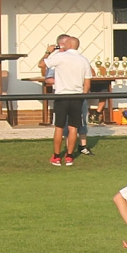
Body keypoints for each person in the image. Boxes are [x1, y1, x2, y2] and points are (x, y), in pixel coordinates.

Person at [39, 35, 91, 166]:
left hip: (62, 96)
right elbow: (87, 83)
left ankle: (57, 156)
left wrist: (48, 52)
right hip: (77, 97)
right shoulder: (84, 60)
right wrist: (83, 96)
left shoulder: (60, 57)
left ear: (69, 45)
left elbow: (41, 64)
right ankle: (69, 156)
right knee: (73, 127)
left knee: (59, 127)